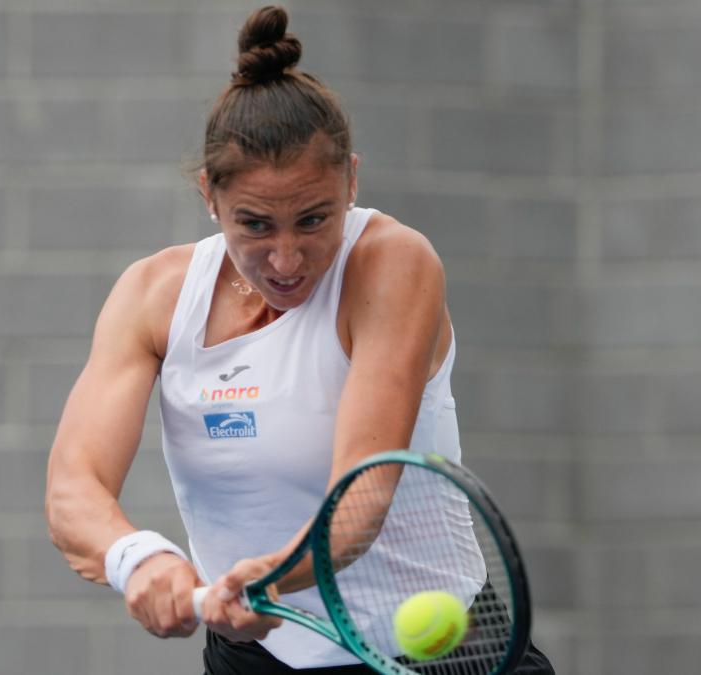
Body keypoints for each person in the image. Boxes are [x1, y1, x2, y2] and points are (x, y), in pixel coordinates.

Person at [45, 6, 555, 673]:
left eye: (314, 219)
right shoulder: (154, 295)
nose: (287, 259)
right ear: (210, 195)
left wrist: (271, 580)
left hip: (438, 656)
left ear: (351, 180)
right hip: (255, 658)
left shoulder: (395, 264)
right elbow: (72, 488)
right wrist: (136, 556)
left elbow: (359, 497)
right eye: (255, 225)